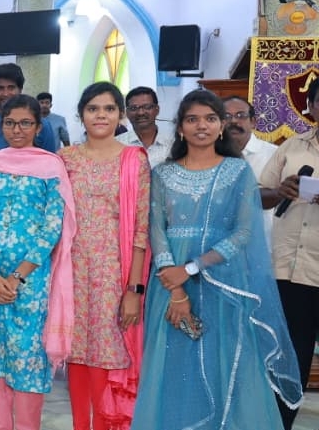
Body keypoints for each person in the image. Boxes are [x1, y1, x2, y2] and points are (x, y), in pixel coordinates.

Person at [133, 90, 303, 429]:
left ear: (221, 126)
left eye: (210, 119)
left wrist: (192, 268)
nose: (202, 126)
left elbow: (244, 232)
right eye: (192, 119)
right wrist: (175, 286)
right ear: (180, 128)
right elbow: (157, 230)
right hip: (169, 284)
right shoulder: (162, 174)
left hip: (224, 283)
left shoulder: (237, 171)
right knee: (173, 365)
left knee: (223, 364)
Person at [0, 94, 75, 430]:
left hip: (30, 282)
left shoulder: (51, 168)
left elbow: (51, 229)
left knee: (27, 359)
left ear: (38, 127)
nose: (17, 129)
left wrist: (16, 278)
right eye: (10, 123)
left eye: (25, 123)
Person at [57, 82, 149, 430]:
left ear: (120, 115)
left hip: (114, 271)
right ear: (81, 115)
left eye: (109, 109)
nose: (101, 115)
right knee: (76, 353)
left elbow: (141, 229)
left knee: (107, 355)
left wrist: (134, 289)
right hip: (71, 270)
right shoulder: (64, 159)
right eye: (93, 109)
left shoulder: (134, 160)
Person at [261, 84, 319, 430]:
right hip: (291, 271)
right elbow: (260, 195)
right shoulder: (292, 147)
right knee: (291, 358)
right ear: (310, 106)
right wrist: (279, 191)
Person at [0, 64, 60, 158]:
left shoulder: (42, 125)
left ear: (20, 90)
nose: (6, 94)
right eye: (0, 88)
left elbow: (50, 161)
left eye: (11, 88)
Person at [223, 96, 279, 238]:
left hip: (262, 238)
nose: (233, 121)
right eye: (226, 116)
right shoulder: (209, 155)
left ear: (253, 121)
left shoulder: (274, 154)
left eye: (240, 115)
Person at [117, 86, 172, 168]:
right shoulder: (117, 144)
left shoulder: (173, 144)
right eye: (134, 108)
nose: (141, 113)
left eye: (147, 107)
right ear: (127, 113)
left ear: (157, 110)